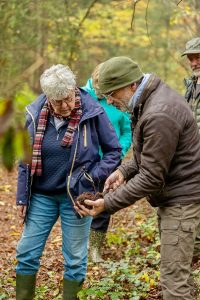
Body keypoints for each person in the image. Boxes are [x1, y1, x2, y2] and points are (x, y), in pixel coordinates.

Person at [75, 56, 200, 300]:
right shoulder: (150, 100)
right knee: (179, 273)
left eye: (112, 94)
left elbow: (152, 176)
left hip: (182, 200)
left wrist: (107, 203)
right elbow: (151, 155)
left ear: (131, 84)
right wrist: (124, 170)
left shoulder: (159, 113)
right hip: (176, 197)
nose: (109, 101)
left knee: (173, 280)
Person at [15, 64, 121, 300]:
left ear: (74, 89)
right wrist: (22, 196)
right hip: (41, 195)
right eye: (57, 101)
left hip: (77, 197)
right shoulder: (34, 113)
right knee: (27, 254)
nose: (65, 105)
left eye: (68, 98)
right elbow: (24, 157)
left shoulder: (93, 111)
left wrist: (92, 177)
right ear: (47, 97)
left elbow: (113, 151)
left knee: (74, 258)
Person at [82, 64, 132, 262]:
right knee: (80, 199)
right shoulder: (83, 96)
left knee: (104, 201)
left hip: (110, 160)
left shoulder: (118, 100)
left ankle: (95, 249)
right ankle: (77, 245)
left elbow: (128, 130)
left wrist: (119, 152)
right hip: (84, 160)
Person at [181, 37, 200, 263]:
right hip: (191, 163)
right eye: (191, 58)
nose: (194, 62)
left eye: (198, 57)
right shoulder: (190, 86)